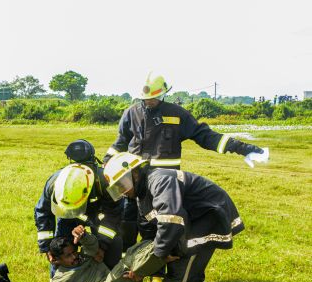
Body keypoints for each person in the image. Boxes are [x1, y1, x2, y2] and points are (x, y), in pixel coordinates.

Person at [102, 73, 268, 250]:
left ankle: (157, 260)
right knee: (127, 223)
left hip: (163, 187)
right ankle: (127, 259)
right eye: (146, 98)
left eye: (154, 98)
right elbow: (120, 142)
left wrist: (243, 148)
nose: (149, 101)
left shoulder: (177, 114)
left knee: (161, 227)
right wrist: (106, 162)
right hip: (134, 183)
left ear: (163, 94)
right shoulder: (131, 113)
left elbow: (205, 136)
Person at [102, 152, 245, 282]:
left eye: (122, 185)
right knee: (191, 273)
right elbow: (149, 232)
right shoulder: (142, 196)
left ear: (135, 173)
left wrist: (158, 257)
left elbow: (172, 221)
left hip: (209, 217)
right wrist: (144, 265)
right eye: (117, 188)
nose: (123, 192)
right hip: (190, 223)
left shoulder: (160, 181)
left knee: (181, 268)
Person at [34, 140, 123, 276]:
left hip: (99, 217)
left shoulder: (105, 181)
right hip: (68, 216)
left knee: (112, 247)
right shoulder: (54, 183)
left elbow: (113, 216)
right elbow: (43, 213)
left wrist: (102, 246)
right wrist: (47, 247)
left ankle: (106, 280)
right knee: (60, 252)